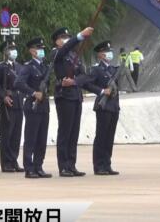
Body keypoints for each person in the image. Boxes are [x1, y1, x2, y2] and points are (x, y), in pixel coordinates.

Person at [50, 26, 99, 177]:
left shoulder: (73, 55)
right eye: (63, 38)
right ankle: (63, 166)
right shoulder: (56, 53)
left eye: (68, 37)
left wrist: (74, 81)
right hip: (64, 96)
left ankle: (71, 164)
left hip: (76, 95)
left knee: (74, 132)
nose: (65, 40)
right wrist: (79, 36)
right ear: (57, 41)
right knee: (65, 131)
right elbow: (64, 49)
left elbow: (85, 76)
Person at [15, 37, 51, 179]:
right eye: (38, 48)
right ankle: (29, 168)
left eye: (42, 48)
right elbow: (18, 83)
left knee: (42, 138)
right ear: (32, 51)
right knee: (31, 138)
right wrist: (33, 92)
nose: (41, 51)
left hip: (44, 106)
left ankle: (38, 166)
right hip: (32, 105)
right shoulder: (28, 67)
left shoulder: (45, 67)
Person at [0, 39, 24, 173]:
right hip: (7, 104)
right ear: (5, 52)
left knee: (16, 134)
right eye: (11, 49)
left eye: (14, 49)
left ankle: (14, 160)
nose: (13, 51)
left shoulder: (19, 67)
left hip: (18, 102)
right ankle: (6, 162)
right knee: (7, 134)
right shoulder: (1, 67)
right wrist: (3, 96)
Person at [90, 41, 121, 176]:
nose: (109, 53)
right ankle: (98, 165)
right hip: (103, 106)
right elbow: (89, 84)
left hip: (114, 106)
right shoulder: (96, 70)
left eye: (110, 51)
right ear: (101, 55)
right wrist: (102, 91)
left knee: (109, 137)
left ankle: (107, 164)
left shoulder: (114, 69)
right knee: (101, 136)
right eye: (106, 52)